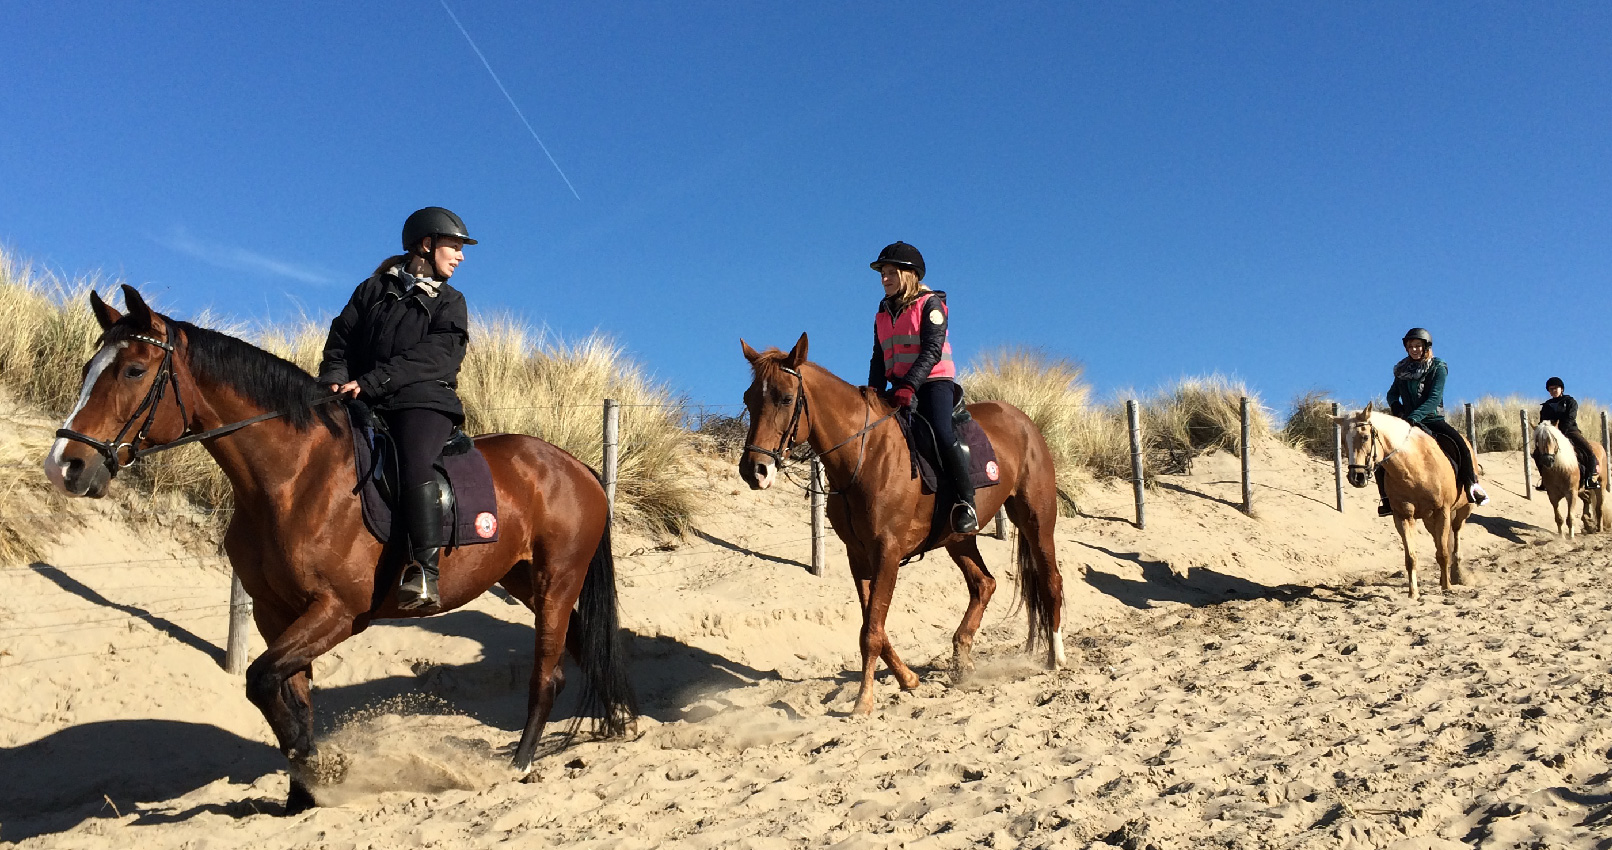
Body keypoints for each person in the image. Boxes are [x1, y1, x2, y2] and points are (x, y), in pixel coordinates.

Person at [317, 207, 474, 612]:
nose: (459, 256)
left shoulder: (451, 302)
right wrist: (334, 377)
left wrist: (371, 382)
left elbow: (436, 357)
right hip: (363, 396)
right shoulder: (371, 290)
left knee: (415, 461)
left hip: (422, 401)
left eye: (460, 249)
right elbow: (341, 340)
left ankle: (424, 571)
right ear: (426, 244)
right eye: (453, 246)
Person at [866, 241, 977, 534]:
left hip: (934, 381)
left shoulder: (930, 304)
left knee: (941, 431)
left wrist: (909, 387)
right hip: (900, 386)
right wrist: (873, 392)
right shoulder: (882, 310)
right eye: (882, 274)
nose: (884, 279)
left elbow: (931, 350)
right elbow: (878, 356)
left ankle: (966, 501)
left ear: (909, 274)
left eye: (891, 272)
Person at [1381, 327, 1489, 516]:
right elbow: (1392, 393)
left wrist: (1414, 417)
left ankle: (1472, 486)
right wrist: (1397, 408)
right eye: (1411, 346)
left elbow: (1433, 398)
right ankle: (1386, 499)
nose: (1414, 349)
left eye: (1417, 346)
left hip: (1432, 419)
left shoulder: (1438, 367)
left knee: (1460, 445)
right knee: (1384, 456)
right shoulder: (1401, 369)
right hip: (1406, 422)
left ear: (1425, 347)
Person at [1537, 376, 1600, 491]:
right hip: (1552, 434)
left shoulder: (1570, 402)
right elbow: (1543, 421)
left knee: (1588, 450)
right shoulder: (1546, 406)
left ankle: (1590, 479)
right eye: (1551, 389)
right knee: (1538, 453)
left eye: (1555, 388)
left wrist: (1561, 430)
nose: (1553, 391)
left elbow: (1570, 418)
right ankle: (1544, 480)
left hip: (1570, 431)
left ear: (1561, 389)